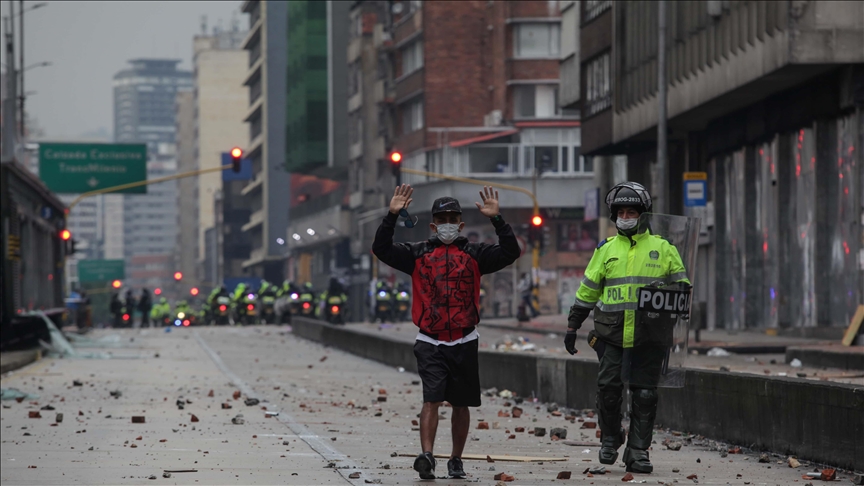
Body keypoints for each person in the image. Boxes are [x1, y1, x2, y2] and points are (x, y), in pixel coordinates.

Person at [373, 185, 520, 479]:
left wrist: (497, 219)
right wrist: (391, 215)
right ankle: (426, 455)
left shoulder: (475, 253)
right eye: (442, 219)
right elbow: (382, 249)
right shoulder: (416, 254)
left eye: (453, 218)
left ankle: (456, 459)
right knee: (432, 398)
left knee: (461, 403)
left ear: (461, 224)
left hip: (465, 339)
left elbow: (510, 252)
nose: (447, 224)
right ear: (433, 225)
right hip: (430, 339)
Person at [564, 182, 689, 474]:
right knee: (608, 389)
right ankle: (610, 437)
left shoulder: (664, 248)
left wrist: (671, 292)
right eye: (621, 212)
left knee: (645, 395)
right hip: (611, 335)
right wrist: (573, 325)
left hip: (650, 336)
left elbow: (682, 289)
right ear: (614, 216)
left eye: (632, 211)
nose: (626, 216)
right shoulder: (606, 250)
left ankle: (638, 451)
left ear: (643, 214)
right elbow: (588, 291)